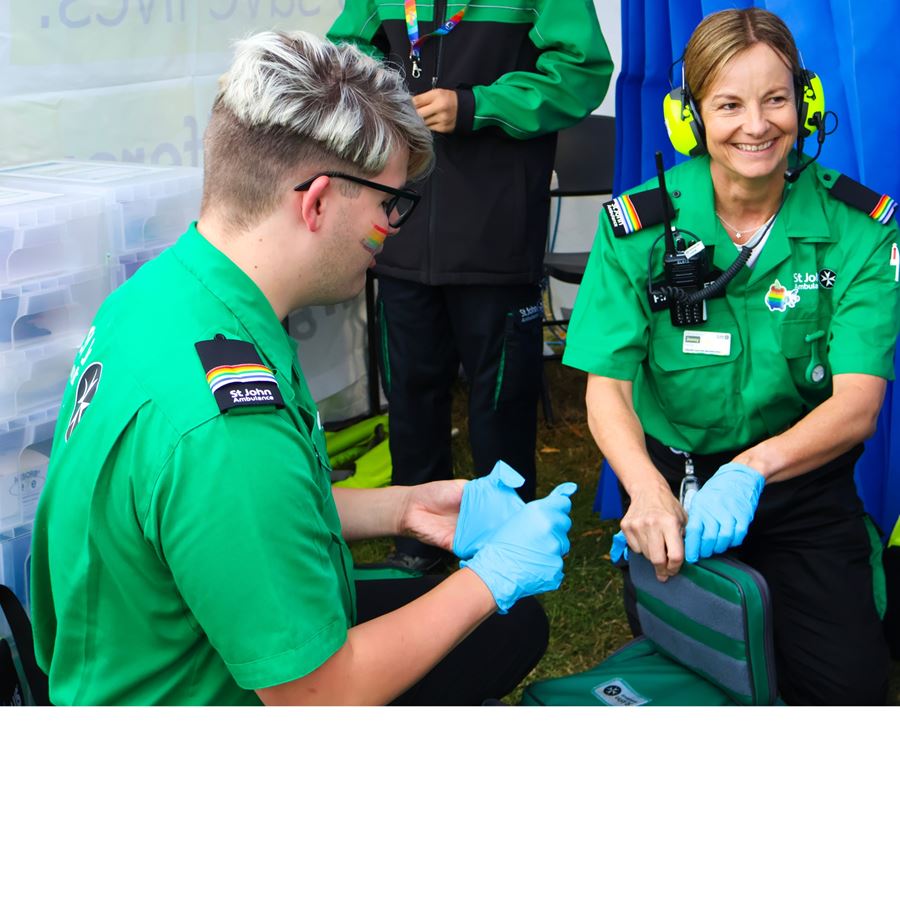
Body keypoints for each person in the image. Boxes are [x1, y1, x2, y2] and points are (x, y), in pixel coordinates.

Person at [29, 30, 577, 706]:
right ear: (316, 201)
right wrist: (491, 576)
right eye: (389, 205)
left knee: (506, 629)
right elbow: (318, 698)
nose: (391, 230)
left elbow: (237, 518)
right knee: (499, 619)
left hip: (137, 659)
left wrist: (405, 509)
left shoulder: (166, 296)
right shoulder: (225, 427)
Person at [563, 8, 900, 705]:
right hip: (674, 489)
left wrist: (752, 469)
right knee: (702, 680)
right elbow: (608, 390)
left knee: (848, 690)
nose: (757, 125)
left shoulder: (860, 230)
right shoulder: (634, 228)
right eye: (729, 104)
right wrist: (649, 492)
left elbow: (858, 405)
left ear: (806, 104)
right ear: (689, 117)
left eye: (776, 99)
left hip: (798, 486)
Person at [327, 0, 612, 572]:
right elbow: (343, 56)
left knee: (500, 402)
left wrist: (479, 105)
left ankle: (509, 540)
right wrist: (381, 93)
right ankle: (417, 540)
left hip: (495, 231)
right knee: (410, 394)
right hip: (400, 227)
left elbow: (582, 73)